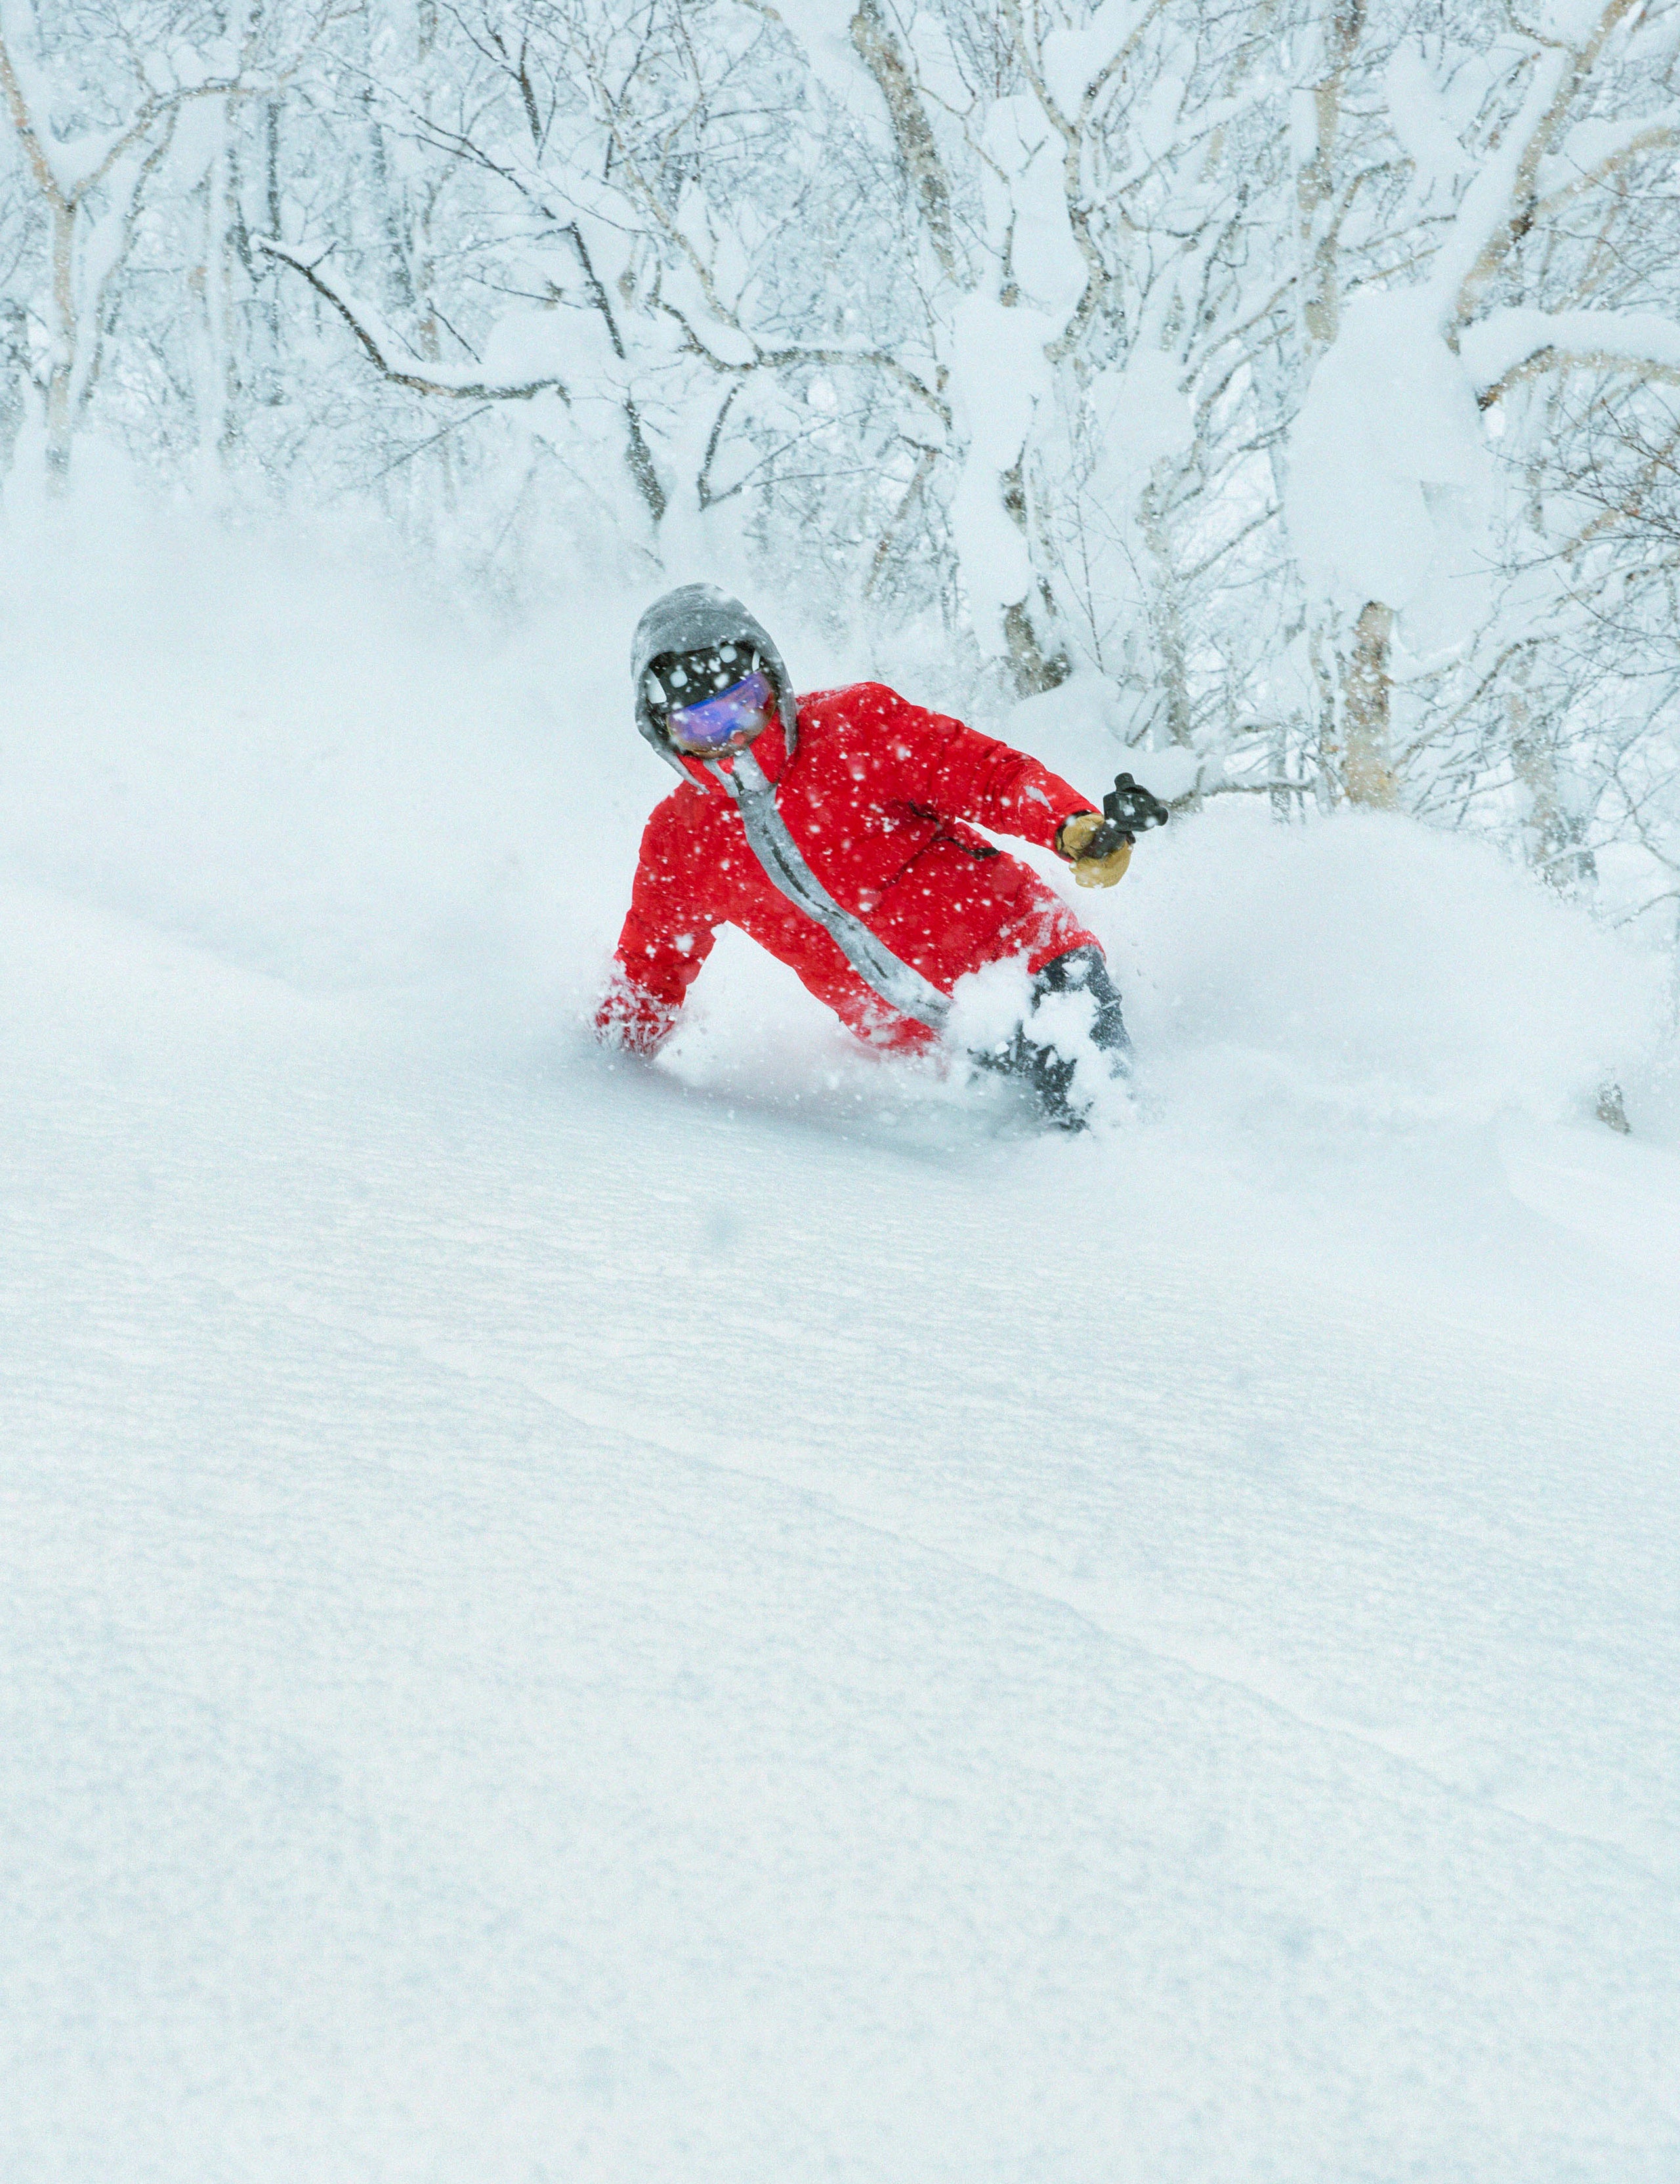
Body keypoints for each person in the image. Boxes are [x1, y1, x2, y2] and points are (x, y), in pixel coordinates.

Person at [595, 583, 1148, 1129]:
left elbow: (988, 775)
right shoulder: (682, 840)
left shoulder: (859, 728)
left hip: (1033, 967)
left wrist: (1068, 824)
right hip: (929, 1053)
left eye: (742, 706)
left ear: (772, 681)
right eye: (701, 725)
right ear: (662, 732)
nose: (730, 739)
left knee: (1095, 1127)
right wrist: (596, 1066)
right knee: (999, 1171)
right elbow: (650, 967)